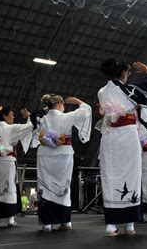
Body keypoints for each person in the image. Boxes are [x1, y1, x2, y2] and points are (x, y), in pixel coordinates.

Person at [97, 59, 147, 236]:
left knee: (110, 175)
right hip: (127, 135)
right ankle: (130, 224)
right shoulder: (127, 89)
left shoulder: (101, 92)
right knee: (131, 174)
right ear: (123, 73)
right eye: (128, 73)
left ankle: (111, 224)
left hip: (109, 136)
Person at [34, 94, 91, 231]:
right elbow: (86, 110)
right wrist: (78, 101)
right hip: (63, 154)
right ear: (59, 104)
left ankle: (47, 223)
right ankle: (65, 221)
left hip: (45, 154)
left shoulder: (41, 119)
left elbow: (33, 132)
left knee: (45, 185)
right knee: (63, 185)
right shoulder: (66, 117)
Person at [0, 106, 33, 228]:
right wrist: (29, 117)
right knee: (9, 187)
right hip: (6, 161)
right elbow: (29, 127)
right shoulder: (11, 128)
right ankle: (10, 219)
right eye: (11, 114)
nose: (13, 117)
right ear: (4, 116)